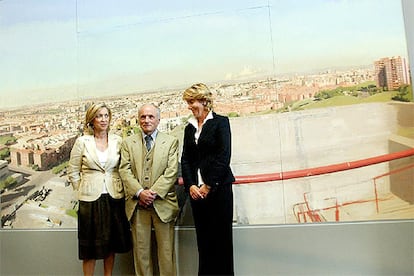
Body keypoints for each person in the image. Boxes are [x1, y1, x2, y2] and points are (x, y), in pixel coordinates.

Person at [67, 102, 131, 276]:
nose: (103, 120)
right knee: (90, 247)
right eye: (99, 116)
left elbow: (124, 167)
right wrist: (81, 189)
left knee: (111, 244)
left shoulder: (118, 140)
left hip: (114, 196)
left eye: (106, 115)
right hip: (90, 199)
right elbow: (72, 171)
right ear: (91, 120)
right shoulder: (82, 142)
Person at [181, 83, 235, 275]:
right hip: (197, 195)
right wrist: (191, 186)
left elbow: (224, 156)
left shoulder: (221, 122)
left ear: (204, 101)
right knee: (204, 245)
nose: (189, 106)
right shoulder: (189, 128)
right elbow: (185, 159)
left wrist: (209, 185)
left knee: (222, 244)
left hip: (219, 193)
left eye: (191, 101)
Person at [119, 103, 179, 276]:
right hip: (138, 206)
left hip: (163, 205)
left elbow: (171, 171)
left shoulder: (171, 142)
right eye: (143, 117)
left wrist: (152, 194)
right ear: (138, 120)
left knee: (166, 255)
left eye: (151, 116)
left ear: (159, 120)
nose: (146, 120)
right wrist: (140, 193)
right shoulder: (127, 143)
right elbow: (124, 170)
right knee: (141, 255)